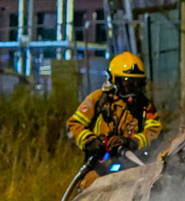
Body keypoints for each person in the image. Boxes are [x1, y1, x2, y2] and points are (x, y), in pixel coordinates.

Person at [67, 52, 161, 187]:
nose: (132, 88)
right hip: (101, 165)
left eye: (137, 82)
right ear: (114, 80)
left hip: (132, 166)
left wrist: (133, 142)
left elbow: (155, 131)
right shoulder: (98, 99)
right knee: (89, 188)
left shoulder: (145, 106)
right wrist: (90, 142)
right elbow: (73, 125)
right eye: (127, 82)